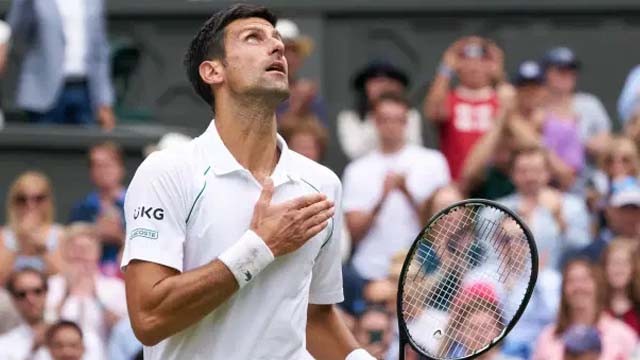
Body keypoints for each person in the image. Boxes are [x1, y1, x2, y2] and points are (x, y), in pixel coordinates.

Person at [122, 4, 374, 359]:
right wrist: (259, 247)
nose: (277, 47)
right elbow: (149, 317)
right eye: (253, 38)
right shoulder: (167, 171)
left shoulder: (322, 184)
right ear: (213, 71)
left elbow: (314, 317)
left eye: (277, 39)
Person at [342, 93, 450, 282]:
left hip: (423, 271)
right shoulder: (356, 170)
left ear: (407, 122)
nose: (391, 126)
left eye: (398, 120)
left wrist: (406, 192)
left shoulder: (433, 161)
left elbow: (444, 227)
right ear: (374, 122)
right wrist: (382, 198)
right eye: (385, 119)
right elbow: (354, 233)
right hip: (370, 272)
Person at [6, 0, 116, 129]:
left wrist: (104, 99)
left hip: (85, 91)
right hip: (43, 92)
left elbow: (100, 49)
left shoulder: (93, 3)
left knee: (85, 144)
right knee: (45, 145)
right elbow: (17, 31)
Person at [424, 36, 504, 181]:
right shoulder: (449, 99)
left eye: (481, 61)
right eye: (467, 61)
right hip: (456, 183)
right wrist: (446, 68)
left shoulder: (501, 100)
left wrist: (499, 73)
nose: (474, 67)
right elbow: (433, 112)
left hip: (494, 185)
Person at [497, 147, 590, 270]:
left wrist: (559, 217)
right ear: (512, 174)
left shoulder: (572, 206)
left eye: (536, 170)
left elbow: (583, 249)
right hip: (511, 283)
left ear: (548, 173)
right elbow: (489, 257)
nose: (530, 177)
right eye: (523, 171)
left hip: (556, 282)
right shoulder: (495, 209)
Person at [532, 258, 637, 360]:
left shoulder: (623, 334)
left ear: (597, 285)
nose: (578, 286)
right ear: (563, 289)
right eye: (571, 281)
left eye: (585, 279)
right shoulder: (547, 337)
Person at [46, 223, 127, 347]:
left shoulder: (115, 287)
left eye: (87, 249)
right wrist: (66, 293)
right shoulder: (52, 285)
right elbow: (47, 324)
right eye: (75, 249)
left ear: (97, 253)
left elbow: (123, 331)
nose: (81, 255)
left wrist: (97, 297)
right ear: (65, 252)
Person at [541, 47, 611, 172]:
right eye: (561, 70)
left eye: (571, 71)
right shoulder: (536, 107)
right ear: (546, 73)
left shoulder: (589, 104)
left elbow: (604, 143)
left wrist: (576, 143)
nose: (567, 75)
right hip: (542, 177)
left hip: (586, 177)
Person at [337, 60, 424, 160]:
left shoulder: (411, 114)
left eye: (390, 81)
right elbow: (354, 151)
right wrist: (377, 115)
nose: (383, 86)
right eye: (377, 82)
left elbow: (414, 146)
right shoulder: (349, 117)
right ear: (365, 86)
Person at [69, 142, 127, 272]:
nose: (103, 171)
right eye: (97, 166)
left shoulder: (136, 205)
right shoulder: (81, 208)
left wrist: (119, 237)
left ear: (121, 168)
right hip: (90, 274)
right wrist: (95, 233)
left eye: (108, 165)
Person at [0, 171, 65, 283]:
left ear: (48, 202)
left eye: (38, 199)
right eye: (22, 199)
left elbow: (64, 275)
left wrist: (40, 248)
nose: (30, 205)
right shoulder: (4, 235)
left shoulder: (60, 234)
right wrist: (19, 243)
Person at [274, 19, 328, 127]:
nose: (289, 58)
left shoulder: (311, 96)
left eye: (294, 51)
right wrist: (297, 104)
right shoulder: (257, 94)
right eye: (282, 51)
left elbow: (321, 138)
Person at [580, 179, 640, 262]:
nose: (630, 216)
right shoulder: (592, 254)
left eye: (635, 209)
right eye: (624, 209)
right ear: (609, 211)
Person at [0, 268, 51, 360]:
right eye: (22, 294)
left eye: (37, 291)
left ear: (46, 293)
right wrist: (32, 351)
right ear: (13, 299)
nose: (30, 300)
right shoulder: (5, 344)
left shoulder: (71, 332)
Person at [601, 239, 640, 335]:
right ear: (604, 268)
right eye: (613, 263)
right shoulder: (596, 306)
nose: (618, 269)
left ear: (633, 269)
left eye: (623, 263)